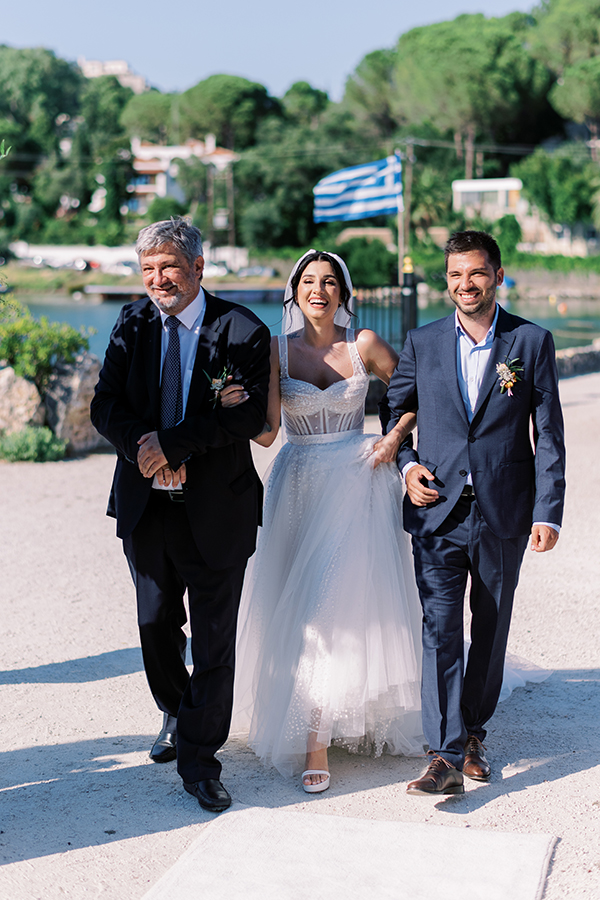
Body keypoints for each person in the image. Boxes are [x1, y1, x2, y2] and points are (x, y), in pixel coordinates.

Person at [226, 249, 426, 792]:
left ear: (343, 292)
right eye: (309, 282)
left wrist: (391, 439)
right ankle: (311, 709)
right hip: (297, 484)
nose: (319, 290)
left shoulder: (363, 346)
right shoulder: (274, 352)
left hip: (355, 481)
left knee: (331, 604)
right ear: (294, 292)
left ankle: (316, 737)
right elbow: (268, 434)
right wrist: (228, 402)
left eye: (329, 282)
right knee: (300, 606)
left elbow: (416, 394)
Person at [90, 218, 271, 813]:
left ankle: (200, 760)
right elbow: (104, 404)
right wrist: (146, 446)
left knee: (216, 641)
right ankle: (175, 705)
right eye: (148, 270)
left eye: (169, 266)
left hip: (218, 511)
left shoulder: (243, 330)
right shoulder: (131, 324)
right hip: (147, 507)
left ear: (198, 267)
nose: (158, 279)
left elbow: (247, 421)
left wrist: (176, 445)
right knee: (153, 625)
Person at [380, 230, 566, 796]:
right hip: (436, 512)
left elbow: (549, 432)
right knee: (440, 628)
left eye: (477, 273)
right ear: (446, 280)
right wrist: (407, 466)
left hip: (504, 510)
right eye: (456, 274)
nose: (466, 284)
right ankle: (444, 755)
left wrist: (548, 510)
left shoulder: (531, 342)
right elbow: (397, 410)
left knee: (489, 628)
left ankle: (473, 733)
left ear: (498, 276)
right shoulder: (422, 341)